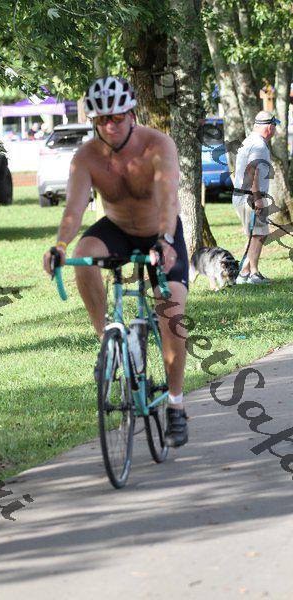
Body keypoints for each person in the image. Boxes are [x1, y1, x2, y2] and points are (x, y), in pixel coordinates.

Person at [43, 76, 189, 448]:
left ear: (131, 114)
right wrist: (59, 244)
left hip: (161, 230)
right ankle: (106, 339)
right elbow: (74, 209)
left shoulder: (157, 145)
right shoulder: (86, 157)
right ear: (94, 121)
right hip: (118, 229)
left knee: (170, 310)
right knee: (82, 255)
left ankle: (175, 404)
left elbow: (169, 197)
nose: (111, 125)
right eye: (102, 119)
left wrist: (165, 240)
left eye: (118, 117)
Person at [233, 110, 280, 284]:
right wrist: (258, 198)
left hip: (246, 195)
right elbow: (252, 172)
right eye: (274, 125)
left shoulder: (251, 141)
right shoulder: (258, 145)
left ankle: (245, 273)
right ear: (269, 127)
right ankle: (252, 273)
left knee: (258, 234)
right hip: (250, 197)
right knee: (259, 234)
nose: (275, 129)